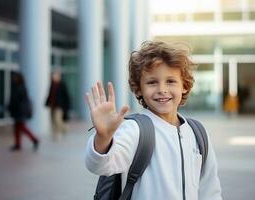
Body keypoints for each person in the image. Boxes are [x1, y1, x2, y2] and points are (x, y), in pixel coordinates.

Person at [84, 41, 222, 199]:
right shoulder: (134, 130)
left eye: (170, 81)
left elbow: (210, 189)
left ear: (184, 85)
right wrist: (103, 138)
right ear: (139, 88)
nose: (162, 90)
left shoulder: (198, 133)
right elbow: (101, 166)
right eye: (152, 82)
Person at [8, 72, 39, 151]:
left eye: (16, 77)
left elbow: (20, 101)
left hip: (20, 111)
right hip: (16, 111)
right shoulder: (15, 86)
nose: (14, 79)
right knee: (17, 128)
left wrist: (15, 107)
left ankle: (34, 139)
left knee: (22, 128)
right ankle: (18, 144)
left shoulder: (21, 87)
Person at [45, 71, 70, 141]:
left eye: (55, 76)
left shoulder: (62, 85)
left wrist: (66, 106)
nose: (53, 77)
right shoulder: (52, 84)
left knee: (57, 120)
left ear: (58, 76)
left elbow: (66, 96)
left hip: (59, 106)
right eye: (53, 76)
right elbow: (50, 94)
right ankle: (56, 135)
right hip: (52, 105)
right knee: (53, 121)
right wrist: (47, 103)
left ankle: (64, 128)